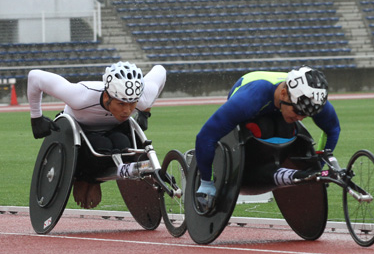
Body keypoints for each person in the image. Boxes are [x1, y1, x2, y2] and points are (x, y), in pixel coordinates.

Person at [194, 66, 340, 213]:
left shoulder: (310, 100)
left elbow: (333, 130)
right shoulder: (248, 100)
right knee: (264, 127)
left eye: (306, 115)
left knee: (290, 130)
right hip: (254, 106)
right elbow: (205, 137)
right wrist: (206, 182)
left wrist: (317, 167)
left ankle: (278, 168)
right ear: (283, 94)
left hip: (278, 107)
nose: (301, 117)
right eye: (298, 111)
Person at [27, 61, 167, 209]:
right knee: (102, 146)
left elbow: (161, 70)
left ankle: (94, 181)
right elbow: (35, 77)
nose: (127, 110)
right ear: (107, 97)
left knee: (124, 145)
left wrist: (145, 112)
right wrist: (36, 117)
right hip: (79, 133)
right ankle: (81, 179)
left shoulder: (143, 97)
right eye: (121, 104)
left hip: (113, 130)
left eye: (132, 104)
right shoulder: (80, 96)